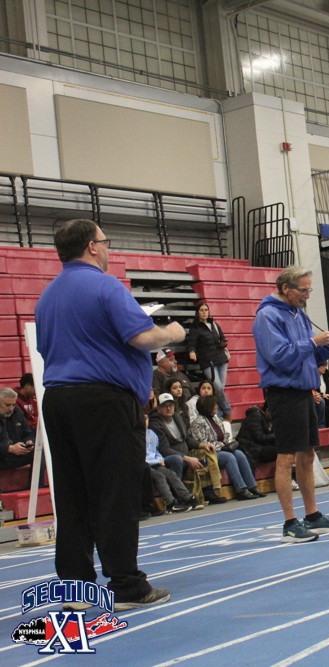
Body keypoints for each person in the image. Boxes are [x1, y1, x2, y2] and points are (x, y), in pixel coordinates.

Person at [35, 218, 183, 609]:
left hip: (59, 399)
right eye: (105, 241)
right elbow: (143, 337)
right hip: (104, 401)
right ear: (91, 246)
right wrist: (173, 332)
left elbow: (47, 349)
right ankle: (126, 586)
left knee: (72, 494)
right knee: (116, 493)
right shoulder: (105, 286)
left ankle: (75, 588)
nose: (108, 248)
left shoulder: (48, 295)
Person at [253, 266, 329, 543]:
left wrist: (328, 344)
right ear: (285, 288)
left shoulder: (299, 314)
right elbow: (280, 356)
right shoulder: (267, 316)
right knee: (286, 458)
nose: (307, 295)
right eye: (303, 290)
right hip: (283, 393)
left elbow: (313, 355)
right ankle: (290, 523)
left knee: (307, 454)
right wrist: (313, 342)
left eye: (309, 290)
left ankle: (312, 515)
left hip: (305, 391)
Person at [149, 393, 227, 505]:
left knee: (206, 454)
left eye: (171, 405)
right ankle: (179, 497)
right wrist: (187, 458)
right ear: (158, 409)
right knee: (177, 460)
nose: (169, 408)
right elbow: (165, 449)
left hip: (185, 453)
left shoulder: (177, 417)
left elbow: (187, 438)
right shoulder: (155, 424)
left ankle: (208, 492)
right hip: (169, 457)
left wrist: (202, 445)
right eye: (165, 406)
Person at [190, 395, 265, 500]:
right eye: (214, 405)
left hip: (221, 449)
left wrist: (227, 444)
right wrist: (220, 446)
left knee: (239, 454)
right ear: (207, 406)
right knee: (229, 457)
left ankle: (252, 486)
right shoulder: (198, 422)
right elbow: (202, 443)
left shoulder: (216, 418)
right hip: (208, 454)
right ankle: (241, 490)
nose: (217, 406)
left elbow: (224, 436)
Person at [144, 412, 202, 513]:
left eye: (146, 419)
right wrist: (154, 461)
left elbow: (155, 451)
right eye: (142, 420)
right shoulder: (134, 436)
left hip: (156, 463)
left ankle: (187, 498)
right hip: (144, 465)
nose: (144, 422)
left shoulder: (152, 434)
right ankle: (171, 503)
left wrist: (160, 459)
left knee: (171, 474)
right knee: (159, 476)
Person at [185, 300, 231, 419]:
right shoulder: (195, 328)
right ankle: (227, 410)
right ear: (197, 313)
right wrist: (192, 351)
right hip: (208, 361)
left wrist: (223, 343)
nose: (204, 312)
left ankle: (218, 413)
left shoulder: (214, 324)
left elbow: (222, 338)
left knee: (219, 389)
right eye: (202, 310)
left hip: (221, 359)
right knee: (218, 388)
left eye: (206, 310)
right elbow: (191, 343)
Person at [236, 401, 279, 471]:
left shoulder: (267, 419)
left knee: (285, 447)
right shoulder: (255, 416)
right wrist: (276, 435)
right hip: (251, 449)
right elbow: (259, 438)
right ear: (268, 410)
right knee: (282, 451)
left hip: (260, 447)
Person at [0, 387, 35, 470]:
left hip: (14, 455)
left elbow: (27, 432)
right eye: (7, 405)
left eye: (13, 405)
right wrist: (8, 449)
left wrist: (28, 441)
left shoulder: (17, 412)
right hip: (2, 456)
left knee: (38, 454)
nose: (11, 409)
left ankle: (36, 479)